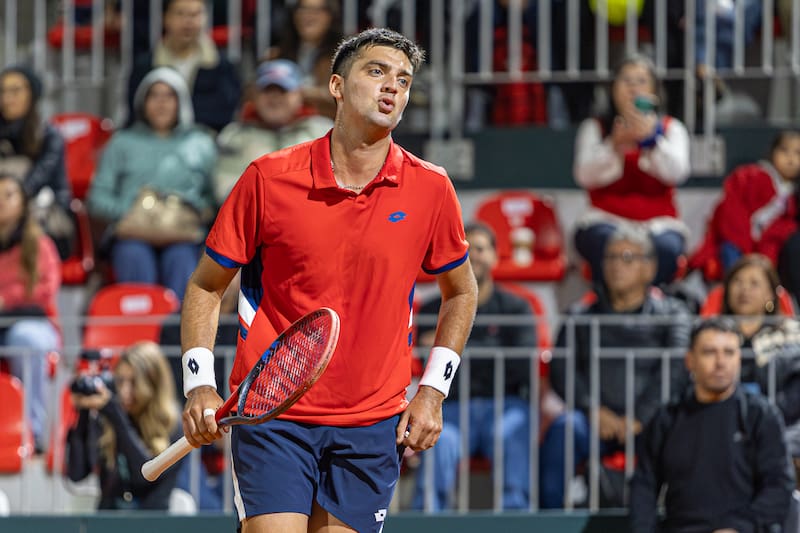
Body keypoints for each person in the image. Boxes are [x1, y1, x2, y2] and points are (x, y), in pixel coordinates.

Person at [179, 28, 478, 533]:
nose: (392, 88)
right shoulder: (268, 178)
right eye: (377, 71)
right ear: (336, 86)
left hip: (373, 423)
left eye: (403, 81)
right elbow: (206, 286)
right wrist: (198, 384)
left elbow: (462, 291)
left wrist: (432, 391)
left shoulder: (432, 187)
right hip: (273, 417)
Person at [545, 226, 691, 508]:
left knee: (688, 431)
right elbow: (562, 369)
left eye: (626, 258)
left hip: (654, 420)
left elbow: (676, 369)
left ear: (649, 268)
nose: (615, 266)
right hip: (594, 421)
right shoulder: (580, 315)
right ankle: (552, 520)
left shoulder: (674, 314)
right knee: (565, 429)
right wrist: (593, 409)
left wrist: (640, 416)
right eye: (610, 258)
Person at [410, 222, 547, 510]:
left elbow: (522, 364)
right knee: (440, 441)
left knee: (511, 432)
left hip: (505, 404)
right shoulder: (434, 306)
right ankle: (427, 522)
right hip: (450, 405)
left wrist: (459, 349)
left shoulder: (518, 306)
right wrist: (490, 352)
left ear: (496, 256)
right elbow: (425, 362)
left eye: (481, 249)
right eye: (467, 248)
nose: (474, 256)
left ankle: (516, 521)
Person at [629, 317, 795, 533]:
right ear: (690, 360)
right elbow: (644, 486)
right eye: (709, 352)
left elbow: (779, 485)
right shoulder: (667, 418)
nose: (720, 362)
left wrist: (739, 528)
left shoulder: (759, 415)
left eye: (729, 352)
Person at [88, 67, 217, 301]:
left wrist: (194, 211)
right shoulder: (122, 142)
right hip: (131, 235)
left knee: (182, 263)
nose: (161, 103)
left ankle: (177, 334)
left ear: (181, 102)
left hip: (183, 236)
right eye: (154, 95)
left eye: (169, 96)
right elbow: (97, 197)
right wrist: (129, 211)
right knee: (133, 256)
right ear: (142, 101)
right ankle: (140, 332)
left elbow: (213, 196)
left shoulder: (201, 142)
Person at [573, 54, 691, 287]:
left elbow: (678, 172)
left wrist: (651, 141)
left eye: (641, 81)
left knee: (666, 249)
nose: (633, 88)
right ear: (613, 88)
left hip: (658, 224)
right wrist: (614, 146)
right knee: (603, 244)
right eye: (626, 81)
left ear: (655, 90)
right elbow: (583, 175)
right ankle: (609, 305)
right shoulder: (595, 127)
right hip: (605, 220)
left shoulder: (671, 128)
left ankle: (651, 306)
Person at [66, 341, 183, 510]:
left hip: (151, 524)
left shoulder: (172, 424)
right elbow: (77, 474)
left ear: (153, 384)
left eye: (134, 382)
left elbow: (144, 477)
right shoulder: (108, 417)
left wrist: (115, 416)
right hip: (108, 523)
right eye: (120, 381)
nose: (124, 391)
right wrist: (84, 413)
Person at [214, 59, 334, 204]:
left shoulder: (324, 132)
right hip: (254, 218)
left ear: (300, 95)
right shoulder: (234, 135)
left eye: (283, 90)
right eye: (268, 90)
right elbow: (225, 190)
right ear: (255, 96)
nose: (274, 97)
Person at [0, 173, 61, 453]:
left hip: (31, 323)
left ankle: (32, 435)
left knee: (27, 340)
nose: (1, 201)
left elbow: (45, 288)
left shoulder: (38, 243)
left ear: (23, 203)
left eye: (9, 194)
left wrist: (5, 299)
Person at [717, 254, 800, 457]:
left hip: (781, 426)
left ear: (771, 295)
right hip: (721, 426)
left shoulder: (791, 335)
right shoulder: (712, 334)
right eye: (737, 281)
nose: (744, 289)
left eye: (754, 283)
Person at [690, 130, 800, 277]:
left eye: (797, 153)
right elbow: (731, 208)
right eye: (784, 150)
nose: (790, 158)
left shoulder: (793, 195)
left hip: (766, 248)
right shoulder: (753, 176)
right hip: (736, 239)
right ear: (772, 152)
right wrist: (743, 242)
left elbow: (782, 229)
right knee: (734, 266)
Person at [126, 0, 241, 132]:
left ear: (205, 18)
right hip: (153, 140)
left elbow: (226, 112)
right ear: (166, 18)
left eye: (195, 14)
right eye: (180, 14)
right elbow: (135, 111)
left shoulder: (222, 65)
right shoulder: (146, 65)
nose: (188, 22)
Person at [0, 64, 73, 259]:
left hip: (45, 215)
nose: (7, 98)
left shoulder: (49, 136)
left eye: (15, 90)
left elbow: (33, 183)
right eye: (2, 91)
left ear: (32, 94)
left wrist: (9, 205)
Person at [266, 0, 344, 119]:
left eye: (316, 10)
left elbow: (344, 95)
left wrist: (302, 93)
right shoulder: (277, 54)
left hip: (324, 124)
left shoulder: (343, 55)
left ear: (330, 16)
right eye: (302, 9)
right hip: (282, 123)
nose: (308, 16)